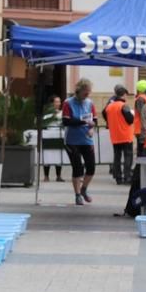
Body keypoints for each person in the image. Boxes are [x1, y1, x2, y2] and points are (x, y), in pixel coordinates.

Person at [61, 78, 97, 206]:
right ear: (79, 90)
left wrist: (92, 127)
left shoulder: (90, 103)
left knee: (91, 168)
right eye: (85, 92)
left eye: (89, 92)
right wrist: (84, 122)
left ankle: (84, 189)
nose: (87, 95)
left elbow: (95, 120)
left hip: (87, 140)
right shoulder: (68, 103)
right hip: (72, 140)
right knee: (77, 168)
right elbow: (66, 121)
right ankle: (77, 195)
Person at [104, 85, 135, 185]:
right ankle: (127, 177)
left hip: (115, 135)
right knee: (128, 156)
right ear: (124, 95)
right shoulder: (123, 106)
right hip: (125, 135)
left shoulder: (109, 106)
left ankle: (118, 178)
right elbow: (130, 119)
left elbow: (104, 114)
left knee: (117, 157)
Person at [42, 95, 64, 182]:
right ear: (52, 103)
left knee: (58, 156)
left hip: (58, 136)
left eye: (59, 102)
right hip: (48, 136)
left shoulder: (61, 113)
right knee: (47, 156)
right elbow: (44, 123)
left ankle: (58, 176)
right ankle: (46, 176)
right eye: (56, 101)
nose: (58, 103)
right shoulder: (47, 113)